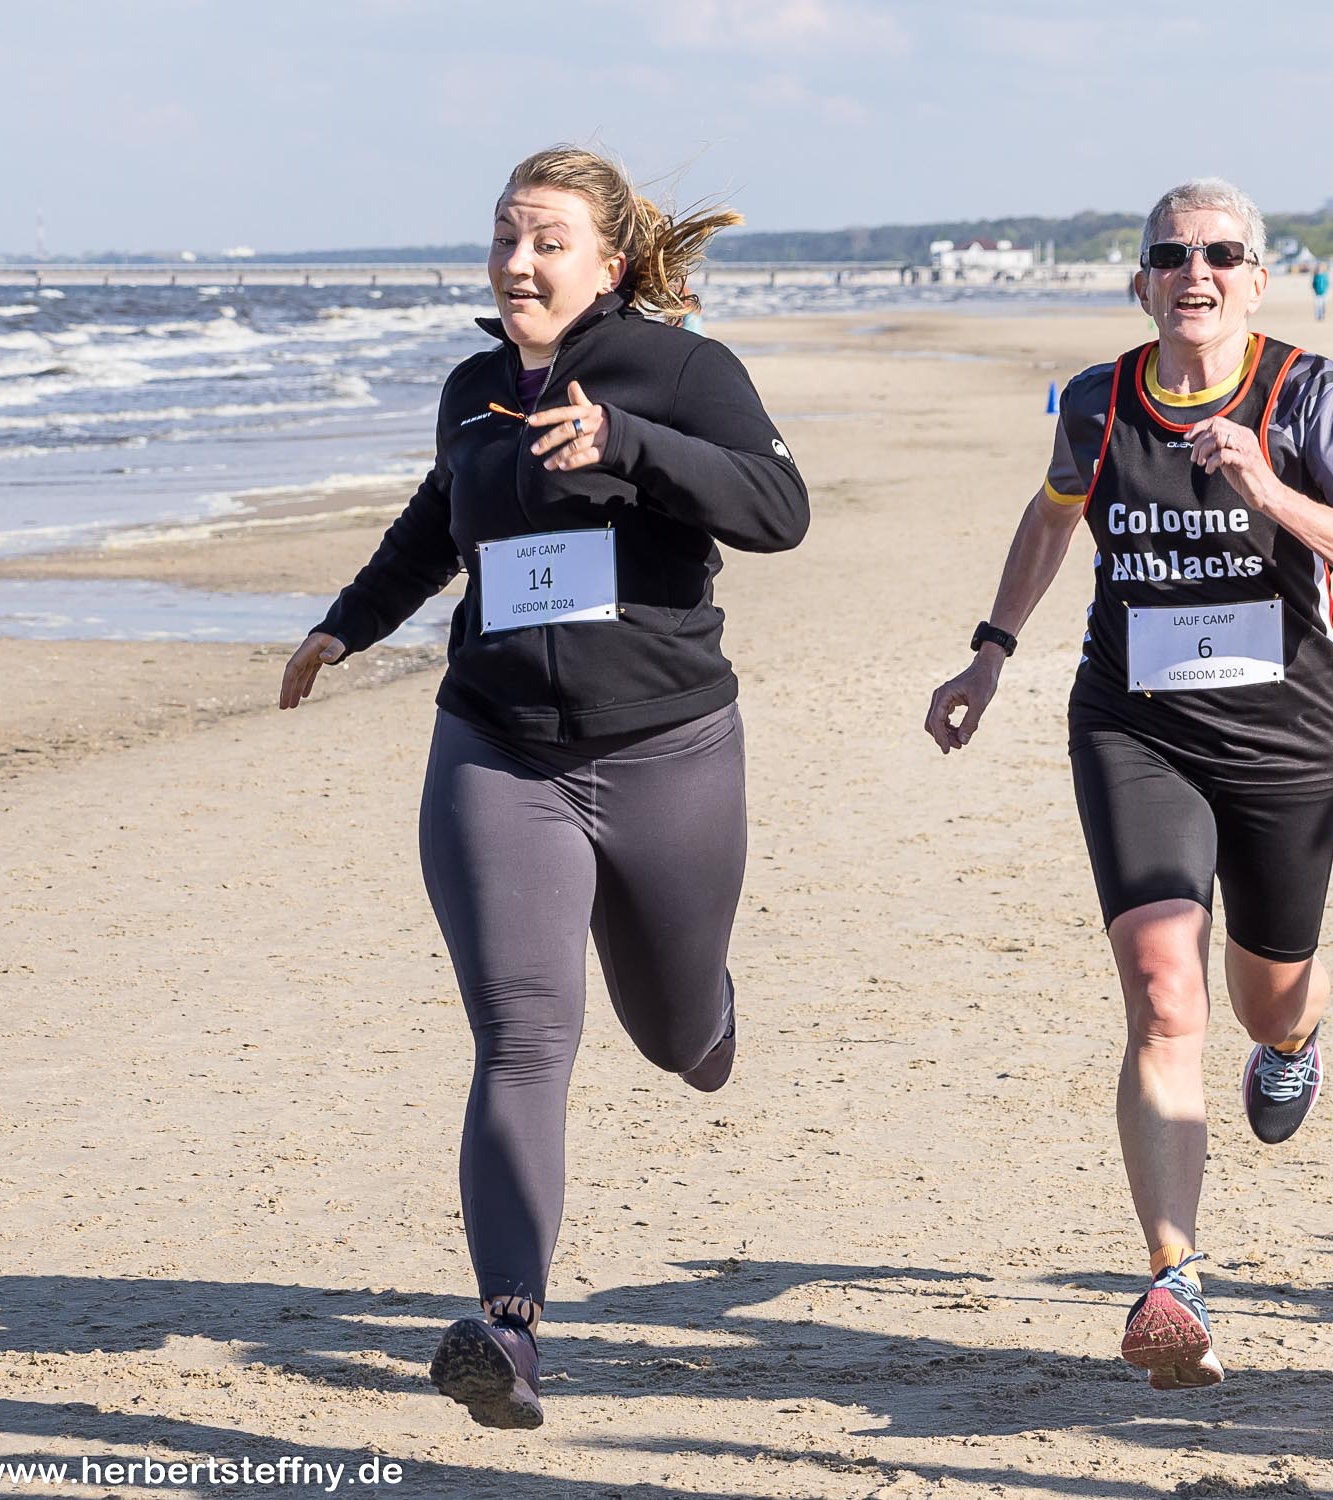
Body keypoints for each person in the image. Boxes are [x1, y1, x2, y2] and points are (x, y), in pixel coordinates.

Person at [278, 146, 809, 1429]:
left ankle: (704, 1014)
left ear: (608, 264)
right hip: (497, 746)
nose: (516, 263)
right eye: (504, 238)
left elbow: (777, 508)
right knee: (520, 1034)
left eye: (546, 242)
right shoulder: (472, 391)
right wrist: (347, 624)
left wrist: (630, 441)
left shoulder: (681, 372)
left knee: (673, 1037)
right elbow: (435, 518)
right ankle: (508, 1330)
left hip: (667, 748)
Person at [924, 177, 1333, 1391]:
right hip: (1132, 726)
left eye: (1220, 253)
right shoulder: (1096, 403)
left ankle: (1292, 1039)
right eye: (1170, 254)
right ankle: (1171, 1277)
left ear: (1257, 279)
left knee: (1262, 997)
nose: (1195, 271)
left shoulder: (1307, 394)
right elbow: (1052, 516)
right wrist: (989, 651)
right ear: (1140, 282)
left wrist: (1268, 490)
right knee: (1159, 991)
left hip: (1283, 739)